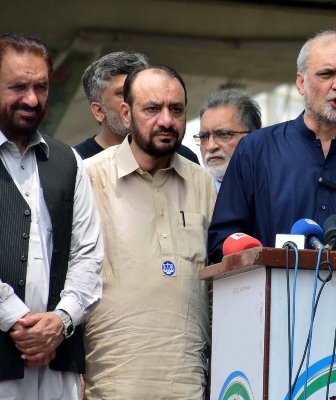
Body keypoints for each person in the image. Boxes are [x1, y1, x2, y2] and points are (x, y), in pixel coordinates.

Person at [207, 30, 336, 261]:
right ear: (301, 82)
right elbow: (223, 241)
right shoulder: (256, 150)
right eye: (327, 74)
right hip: (272, 294)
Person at [82, 65, 217, 398]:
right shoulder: (88, 178)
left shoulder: (201, 184)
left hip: (188, 385)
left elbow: (217, 286)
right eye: (152, 109)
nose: (167, 121)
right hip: (110, 384)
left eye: (177, 110)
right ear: (126, 114)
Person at [0, 33, 103, 399]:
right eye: (18, 87)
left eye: (41, 87)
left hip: (57, 364)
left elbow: (88, 254)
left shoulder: (67, 160)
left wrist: (61, 320)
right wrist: (18, 320)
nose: (31, 99)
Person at [74, 51, 200, 164]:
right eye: (123, 93)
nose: (137, 100)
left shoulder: (184, 159)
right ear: (99, 111)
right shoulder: (76, 164)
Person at [195, 89, 262, 190]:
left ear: (253, 138)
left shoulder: (279, 189)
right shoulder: (188, 195)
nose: (210, 146)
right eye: (204, 137)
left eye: (223, 134)